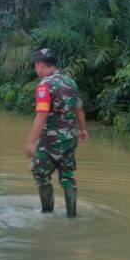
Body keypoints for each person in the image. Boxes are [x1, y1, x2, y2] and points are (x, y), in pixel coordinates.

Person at [25, 48, 88, 217]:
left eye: (35, 65)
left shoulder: (45, 85)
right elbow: (79, 109)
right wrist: (82, 130)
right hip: (70, 137)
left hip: (50, 140)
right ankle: (72, 216)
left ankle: (46, 213)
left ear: (40, 65)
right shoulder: (70, 82)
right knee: (67, 176)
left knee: (40, 173)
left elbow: (42, 114)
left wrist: (31, 142)